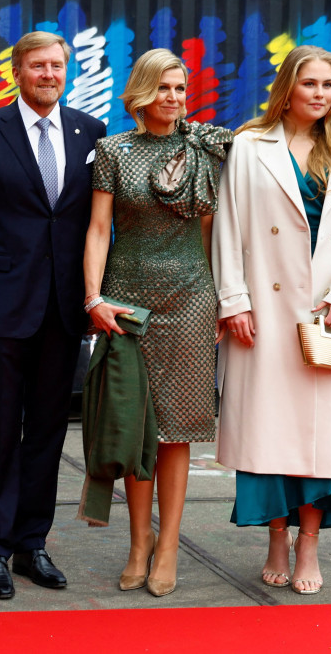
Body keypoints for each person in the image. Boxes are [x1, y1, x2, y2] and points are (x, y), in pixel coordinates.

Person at [212, 44, 331, 596]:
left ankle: (310, 543)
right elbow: (229, 227)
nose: (320, 94)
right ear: (287, 87)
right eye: (310, 83)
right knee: (268, 433)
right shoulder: (248, 147)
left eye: (329, 85)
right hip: (266, 315)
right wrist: (233, 300)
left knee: (324, 440)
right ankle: (275, 536)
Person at [0, 31, 106, 600]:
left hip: (64, 313)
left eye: (57, 66)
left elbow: (96, 226)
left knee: (45, 434)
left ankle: (30, 544)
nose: (49, 75)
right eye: (38, 66)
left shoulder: (92, 132)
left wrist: (94, 296)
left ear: (68, 71)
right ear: (17, 71)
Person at [81, 49, 232, 596]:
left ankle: (168, 544)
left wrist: (222, 297)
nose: (174, 99)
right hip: (129, 300)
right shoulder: (113, 151)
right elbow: (99, 230)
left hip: (191, 297)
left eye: (181, 90)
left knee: (178, 428)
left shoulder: (204, 150)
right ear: (142, 92)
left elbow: (215, 233)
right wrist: (94, 298)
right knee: (135, 420)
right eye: (164, 88)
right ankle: (137, 540)